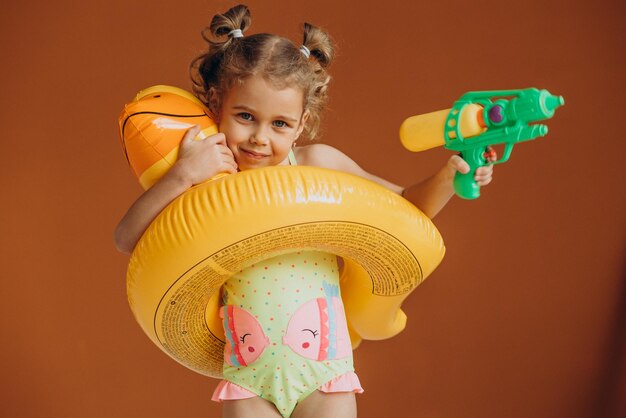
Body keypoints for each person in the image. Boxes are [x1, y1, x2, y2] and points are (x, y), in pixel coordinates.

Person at [114, 5, 494, 418]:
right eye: (245, 117)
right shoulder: (210, 182)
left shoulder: (317, 164)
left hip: (324, 376)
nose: (259, 138)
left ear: (301, 124)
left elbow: (406, 207)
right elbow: (126, 239)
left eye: (279, 124)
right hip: (248, 379)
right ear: (217, 104)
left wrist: (453, 174)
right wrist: (181, 176)